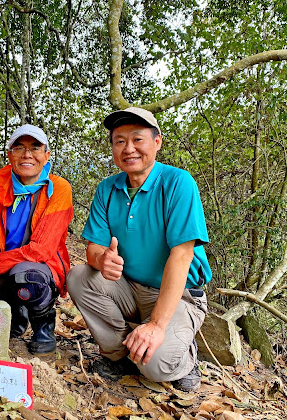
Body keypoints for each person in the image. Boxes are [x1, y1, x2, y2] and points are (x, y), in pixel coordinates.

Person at [67, 107, 211, 391]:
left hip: (178, 295)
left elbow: (181, 255)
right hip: (129, 288)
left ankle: (185, 357)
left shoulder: (177, 183)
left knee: (155, 365)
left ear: (157, 142)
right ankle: (118, 354)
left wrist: (157, 325)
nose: (128, 148)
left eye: (137, 140)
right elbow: (94, 248)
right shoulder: (107, 189)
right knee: (80, 277)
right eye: (119, 141)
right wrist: (102, 259)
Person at [0, 125, 74, 355]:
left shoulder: (59, 189)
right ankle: (17, 314)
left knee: (28, 276)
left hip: (38, 265)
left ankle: (43, 327)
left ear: (46, 155)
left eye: (35, 148)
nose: (27, 154)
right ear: (10, 155)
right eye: (19, 148)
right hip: (2, 262)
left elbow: (40, 251)